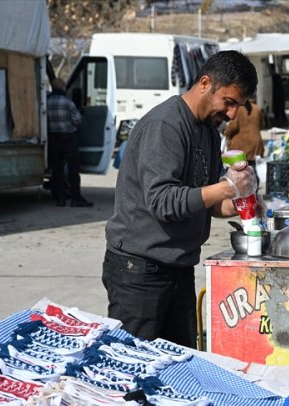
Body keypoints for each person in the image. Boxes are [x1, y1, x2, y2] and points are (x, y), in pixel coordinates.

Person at [102, 51, 258, 348]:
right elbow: (163, 202)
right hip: (139, 272)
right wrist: (227, 187)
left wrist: (242, 201)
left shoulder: (208, 132)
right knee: (134, 363)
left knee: (179, 362)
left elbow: (207, 202)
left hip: (179, 268)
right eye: (229, 102)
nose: (232, 115)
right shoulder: (165, 126)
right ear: (205, 83)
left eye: (238, 106)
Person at [46, 78, 92, 208]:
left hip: (53, 138)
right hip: (68, 137)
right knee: (73, 169)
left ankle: (60, 199)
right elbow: (77, 120)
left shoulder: (47, 102)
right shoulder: (67, 102)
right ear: (63, 87)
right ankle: (76, 198)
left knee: (57, 170)